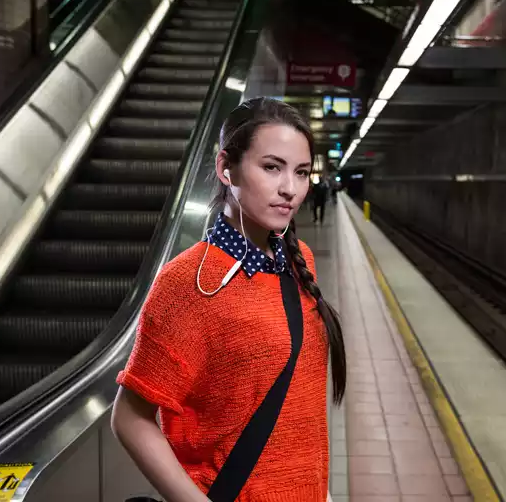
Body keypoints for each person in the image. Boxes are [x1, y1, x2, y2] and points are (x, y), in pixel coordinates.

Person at [111, 97, 347, 502]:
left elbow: (297, 404)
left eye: (301, 172)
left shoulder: (299, 260)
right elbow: (130, 419)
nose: (290, 189)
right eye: (271, 167)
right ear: (226, 168)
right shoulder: (188, 284)